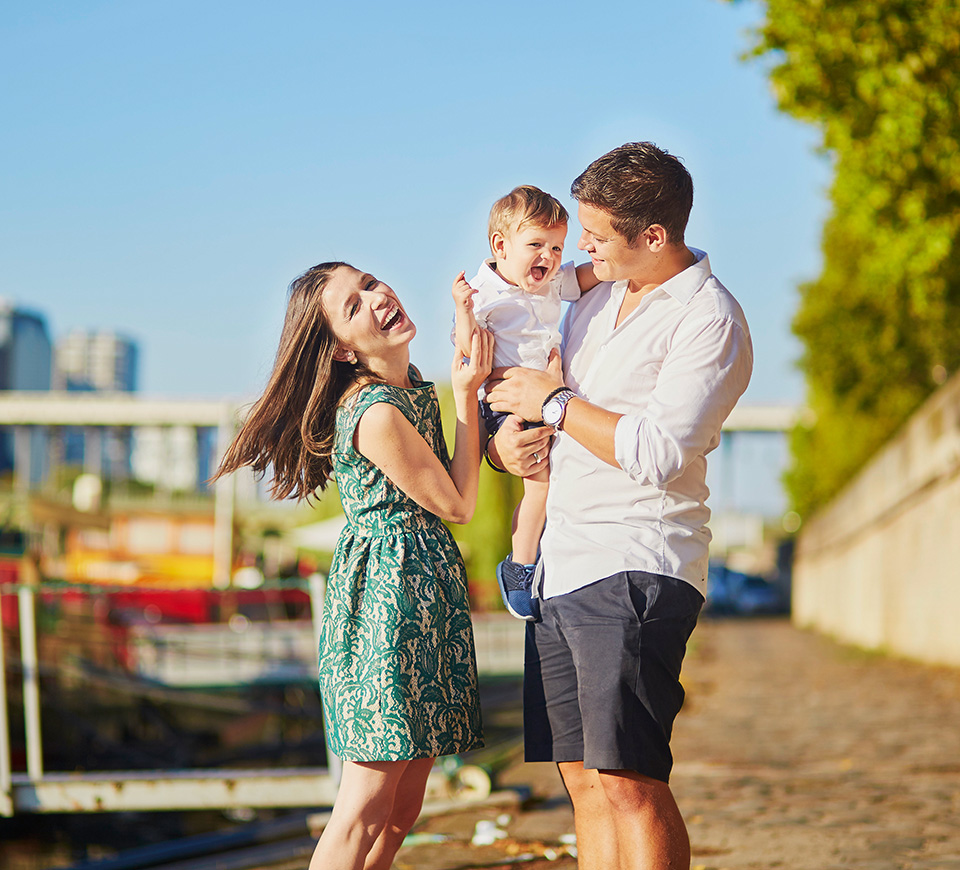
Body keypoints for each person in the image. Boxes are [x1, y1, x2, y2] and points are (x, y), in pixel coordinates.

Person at [485, 142, 753, 870]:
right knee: (581, 780)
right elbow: (535, 403)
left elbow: (663, 450)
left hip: (636, 561)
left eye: (599, 235)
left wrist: (557, 402)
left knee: (629, 779)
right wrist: (504, 448)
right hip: (560, 564)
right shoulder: (595, 294)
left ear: (654, 237)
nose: (586, 247)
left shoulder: (709, 319)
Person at [214, 262, 492, 870]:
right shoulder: (373, 412)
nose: (376, 296)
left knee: (403, 805)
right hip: (385, 605)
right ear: (341, 350)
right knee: (365, 802)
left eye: (369, 282)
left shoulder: (410, 386)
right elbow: (459, 502)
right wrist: (467, 393)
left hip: (424, 594)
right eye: (353, 305)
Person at [451, 185, 596, 621]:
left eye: (556, 247)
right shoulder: (484, 292)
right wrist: (461, 308)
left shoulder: (551, 283)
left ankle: (531, 557)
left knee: (552, 482)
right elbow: (466, 346)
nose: (549, 257)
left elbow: (587, 276)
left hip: (543, 396)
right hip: (506, 403)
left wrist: (622, 267)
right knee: (541, 484)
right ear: (501, 245)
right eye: (536, 245)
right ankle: (520, 563)